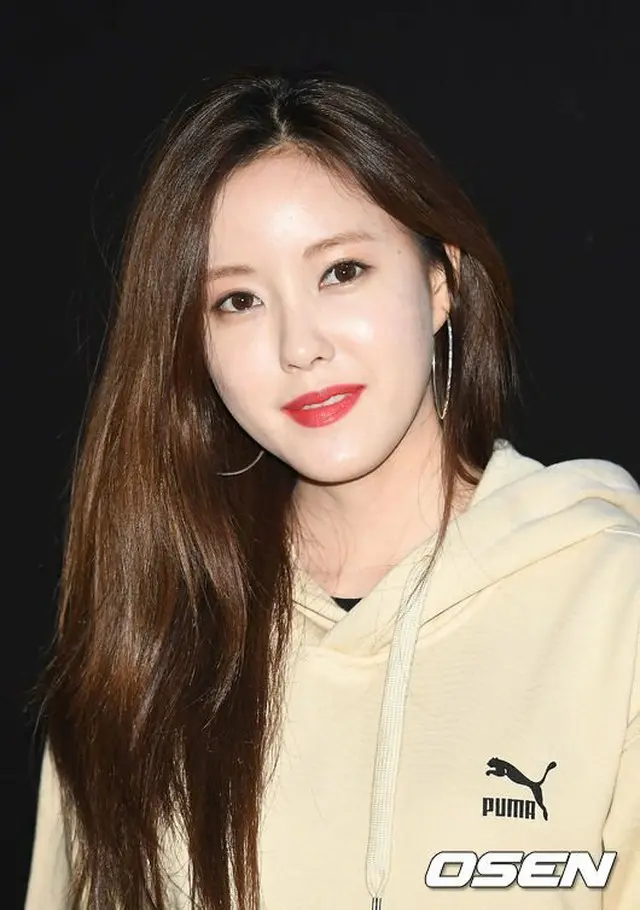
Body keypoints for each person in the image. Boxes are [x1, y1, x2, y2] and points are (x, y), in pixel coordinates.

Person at [25, 70, 639, 910]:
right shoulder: (149, 630)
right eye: (238, 300)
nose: (299, 345)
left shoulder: (609, 598)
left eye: (342, 271)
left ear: (440, 282)